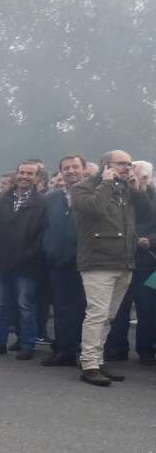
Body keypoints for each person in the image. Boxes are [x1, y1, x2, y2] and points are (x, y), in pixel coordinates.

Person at [70, 150, 153, 386]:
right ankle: (89, 365)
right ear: (106, 165)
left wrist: (137, 189)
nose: (128, 168)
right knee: (96, 314)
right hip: (98, 261)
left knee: (108, 316)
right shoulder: (83, 188)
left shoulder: (125, 188)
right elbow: (94, 209)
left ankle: (97, 359)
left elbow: (147, 214)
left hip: (124, 261)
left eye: (129, 163)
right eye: (122, 164)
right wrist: (106, 182)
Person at [0, 161, 45, 359]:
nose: (25, 176)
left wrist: (27, 256)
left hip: (27, 264)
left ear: (37, 178)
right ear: (16, 175)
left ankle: (27, 345)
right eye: (22, 172)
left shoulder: (42, 202)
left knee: (24, 306)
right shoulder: (2, 199)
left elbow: (42, 235)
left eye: (30, 173)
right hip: (0, 263)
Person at [102, 158, 156, 364]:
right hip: (121, 259)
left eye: (143, 176)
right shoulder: (121, 193)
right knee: (119, 308)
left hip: (146, 263)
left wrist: (150, 241)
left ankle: (146, 349)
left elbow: (149, 216)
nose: (137, 179)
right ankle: (117, 347)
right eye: (133, 173)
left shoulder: (150, 196)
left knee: (148, 309)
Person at [41, 155, 87, 367]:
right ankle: (64, 350)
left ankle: (82, 351)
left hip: (86, 260)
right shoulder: (51, 198)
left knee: (83, 309)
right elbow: (44, 227)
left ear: (84, 169)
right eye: (66, 168)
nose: (70, 171)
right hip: (58, 261)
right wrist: (48, 248)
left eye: (75, 167)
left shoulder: (93, 194)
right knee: (61, 308)